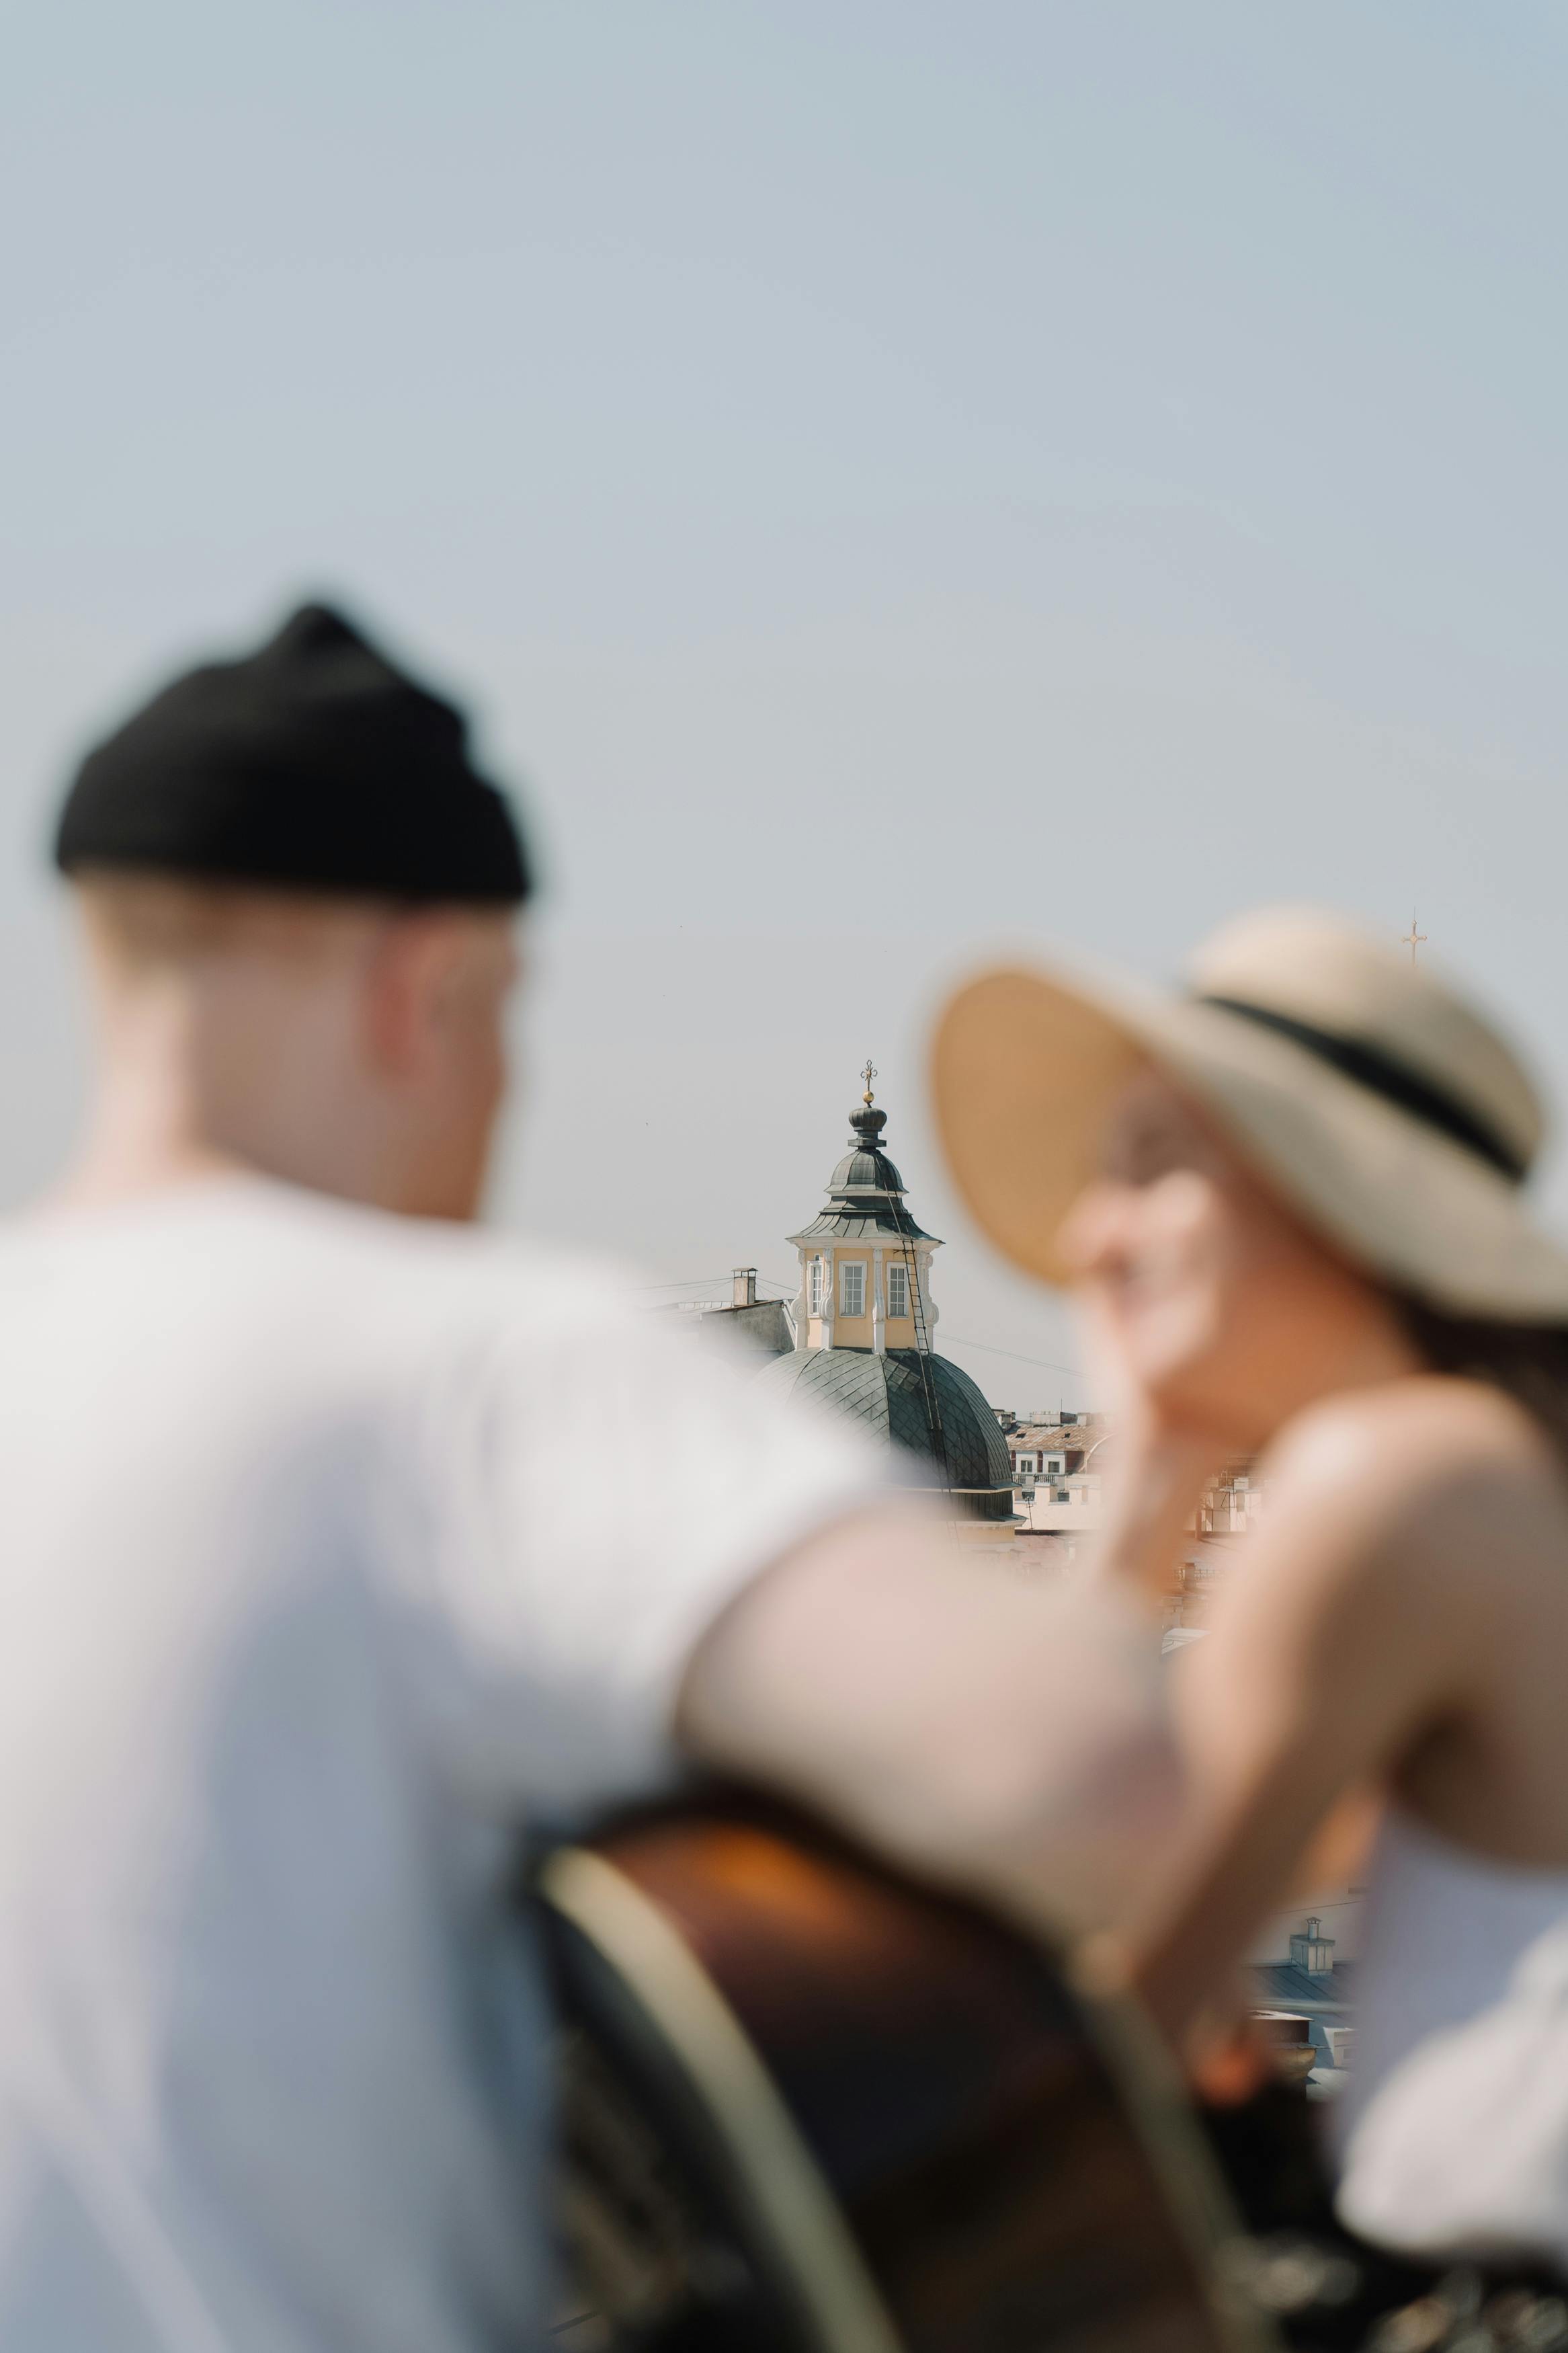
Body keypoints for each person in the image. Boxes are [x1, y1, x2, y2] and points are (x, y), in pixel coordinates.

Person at [0, 600, 1173, 2352]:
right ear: (424, 990)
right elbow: (1098, 1775)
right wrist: (1160, 1445)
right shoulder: (468, 1364)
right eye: (508, 1019)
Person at [935, 907, 1568, 2274]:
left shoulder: (1388, 1484)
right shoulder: (1503, 1475)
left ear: (1325, 1185)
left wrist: (1146, 1476)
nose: (1090, 1237)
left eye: (1154, 1164)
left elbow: (1071, 2009)